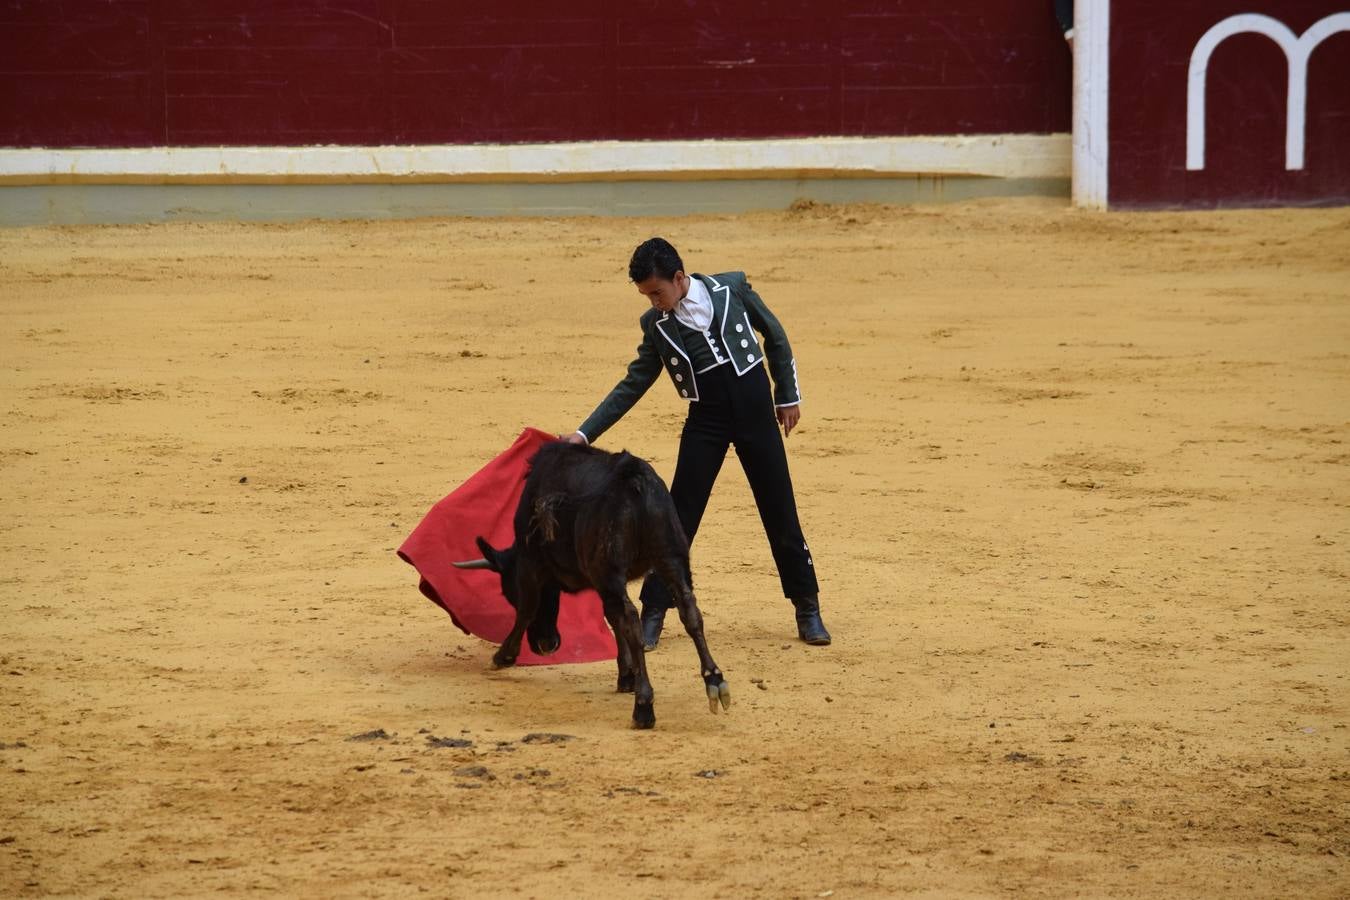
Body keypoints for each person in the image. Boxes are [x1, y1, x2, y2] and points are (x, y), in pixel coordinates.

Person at [562, 237, 830, 649]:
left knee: (779, 508)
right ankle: (654, 612)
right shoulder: (656, 326)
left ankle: (807, 608)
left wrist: (787, 395)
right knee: (676, 518)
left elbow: (775, 335)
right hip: (706, 420)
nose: (653, 302)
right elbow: (633, 384)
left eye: (657, 292)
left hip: (756, 411)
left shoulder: (732, 288)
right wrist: (584, 433)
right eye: (646, 295)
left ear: (679, 277)